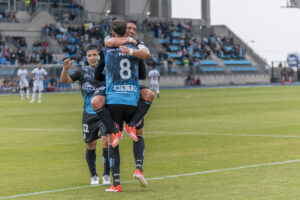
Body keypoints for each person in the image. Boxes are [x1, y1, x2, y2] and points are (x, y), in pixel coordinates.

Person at [91, 20, 152, 188]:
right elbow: (109, 43)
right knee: (111, 137)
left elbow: (142, 69)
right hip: (116, 90)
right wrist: (131, 45)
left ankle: (138, 169)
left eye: (133, 29)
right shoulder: (113, 43)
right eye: (129, 29)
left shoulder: (136, 47)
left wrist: (133, 50)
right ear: (125, 31)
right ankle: (115, 183)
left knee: (138, 128)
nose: (131, 31)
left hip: (129, 90)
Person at [60, 45, 111, 186]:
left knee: (107, 141)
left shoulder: (107, 72)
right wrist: (65, 68)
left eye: (95, 55)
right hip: (89, 114)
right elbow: (64, 81)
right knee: (90, 145)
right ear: (86, 57)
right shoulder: (81, 72)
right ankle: (94, 176)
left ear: (98, 56)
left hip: (105, 113)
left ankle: (107, 175)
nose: (92, 58)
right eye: (89, 55)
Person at [100, 19, 141, 193]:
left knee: (112, 142)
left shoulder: (109, 48)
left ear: (113, 33)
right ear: (127, 32)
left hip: (114, 97)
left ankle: (115, 183)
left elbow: (109, 42)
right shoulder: (136, 47)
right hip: (132, 97)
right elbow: (145, 54)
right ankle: (138, 168)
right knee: (138, 132)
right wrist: (131, 43)